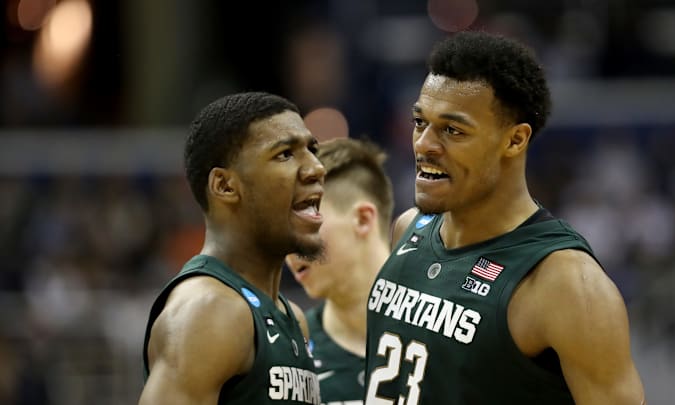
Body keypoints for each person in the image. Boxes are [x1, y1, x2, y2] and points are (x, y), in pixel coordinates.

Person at [364, 31, 646, 404]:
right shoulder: (408, 228)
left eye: (452, 130)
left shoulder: (567, 285)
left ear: (514, 140)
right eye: (420, 122)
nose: (424, 144)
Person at [139, 91, 326, 405]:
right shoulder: (209, 311)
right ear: (225, 186)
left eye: (312, 149)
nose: (316, 168)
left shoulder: (291, 318)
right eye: (285, 154)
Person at [285, 137, 394, 405]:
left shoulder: (452, 333)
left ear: (362, 219)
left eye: (304, 222)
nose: (288, 248)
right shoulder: (289, 355)